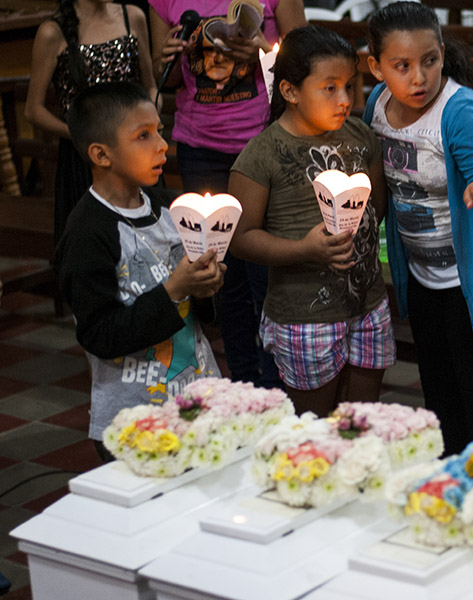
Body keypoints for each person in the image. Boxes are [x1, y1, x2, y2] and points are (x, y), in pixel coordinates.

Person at [363, 2, 473, 456]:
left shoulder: (463, 114)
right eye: (402, 66)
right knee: (437, 388)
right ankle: (452, 485)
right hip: (421, 272)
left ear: (442, 52)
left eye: (429, 61)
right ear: (375, 67)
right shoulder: (375, 107)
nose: (418, 78)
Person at [228, 27, 395, 418]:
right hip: (305, 315)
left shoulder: (361, 136)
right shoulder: (262, 154)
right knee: (316, 429)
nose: (345, 101)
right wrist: (305, 249)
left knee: (361, 423)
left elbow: (377, 207)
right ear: (289, 91)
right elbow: (241, 238)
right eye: (330, 88)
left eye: (350, 87)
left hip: (367, 302)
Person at [54, 82, 225, 461]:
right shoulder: (87, 233)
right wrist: (173, 290)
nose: (162, 145)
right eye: (143, 136)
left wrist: (205, 286)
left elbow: (200, 312)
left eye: (159, 131)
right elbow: (99, 334)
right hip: (132, 417)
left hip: (199, 395)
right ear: (101, 154)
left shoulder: (170, 208)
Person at [148, 0, 306, 390]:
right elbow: (160, 76)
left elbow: (305, 57)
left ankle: (276, 384)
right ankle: (243, 382)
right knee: (222, 276)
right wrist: (168, 56)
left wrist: (261, 52)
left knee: (266, 273)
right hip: (200, 149)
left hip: (263, 143)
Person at [25, 0, 157, 246]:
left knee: (144, 243)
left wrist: (150, 120)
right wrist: (84, 135)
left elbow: (149, 85)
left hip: (134, 154)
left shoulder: (132, 16)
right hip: (85, 159)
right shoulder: (53, 32)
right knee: (93, 245)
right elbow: (33, 110)